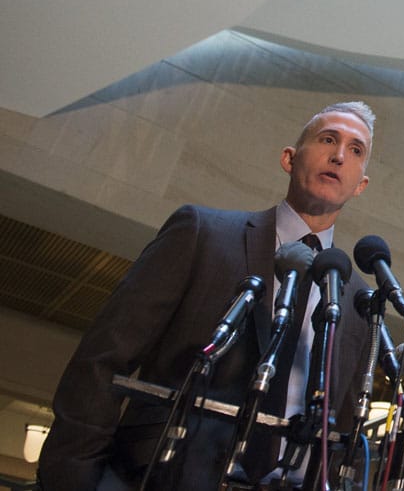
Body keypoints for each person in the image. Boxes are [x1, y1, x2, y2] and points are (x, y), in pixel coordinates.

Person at [38, 101, 378, 490]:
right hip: (166, 475)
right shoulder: (202, 233)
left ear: (360, 185)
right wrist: (75, 479)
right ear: (289, 158)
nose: (339, 156)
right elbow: (103, 358)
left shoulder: (358, 297)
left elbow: (344, 426)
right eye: (328, 139)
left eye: (355, 150)